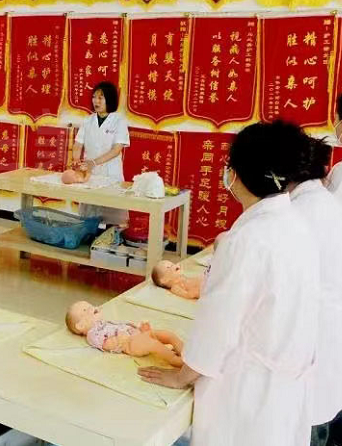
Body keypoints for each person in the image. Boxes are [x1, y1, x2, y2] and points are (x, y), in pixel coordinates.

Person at [138, 121, 320, 446]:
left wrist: (183, 375)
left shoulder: (249, 240)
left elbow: (218, 325)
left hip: (248, 393)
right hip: (283, 387)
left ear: (239, 174)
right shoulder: (295, 224)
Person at [281, 133, 342, 446]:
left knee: (309, 430)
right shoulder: (319, 201)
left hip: (312, 347)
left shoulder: (301, 213)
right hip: (323, 339)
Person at [72, 81, 130, 226]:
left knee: (112, 219)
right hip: (90, 174)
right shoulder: (88, 120)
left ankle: (111, 237)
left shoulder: (119, 121)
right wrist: (75, 159)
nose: (96, 101)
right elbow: (78, 143)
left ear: (109, 99)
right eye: (94, 97)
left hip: (111, 174)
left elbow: (116, 150)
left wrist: (94, 162)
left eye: (100, 97)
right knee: (89, 218)